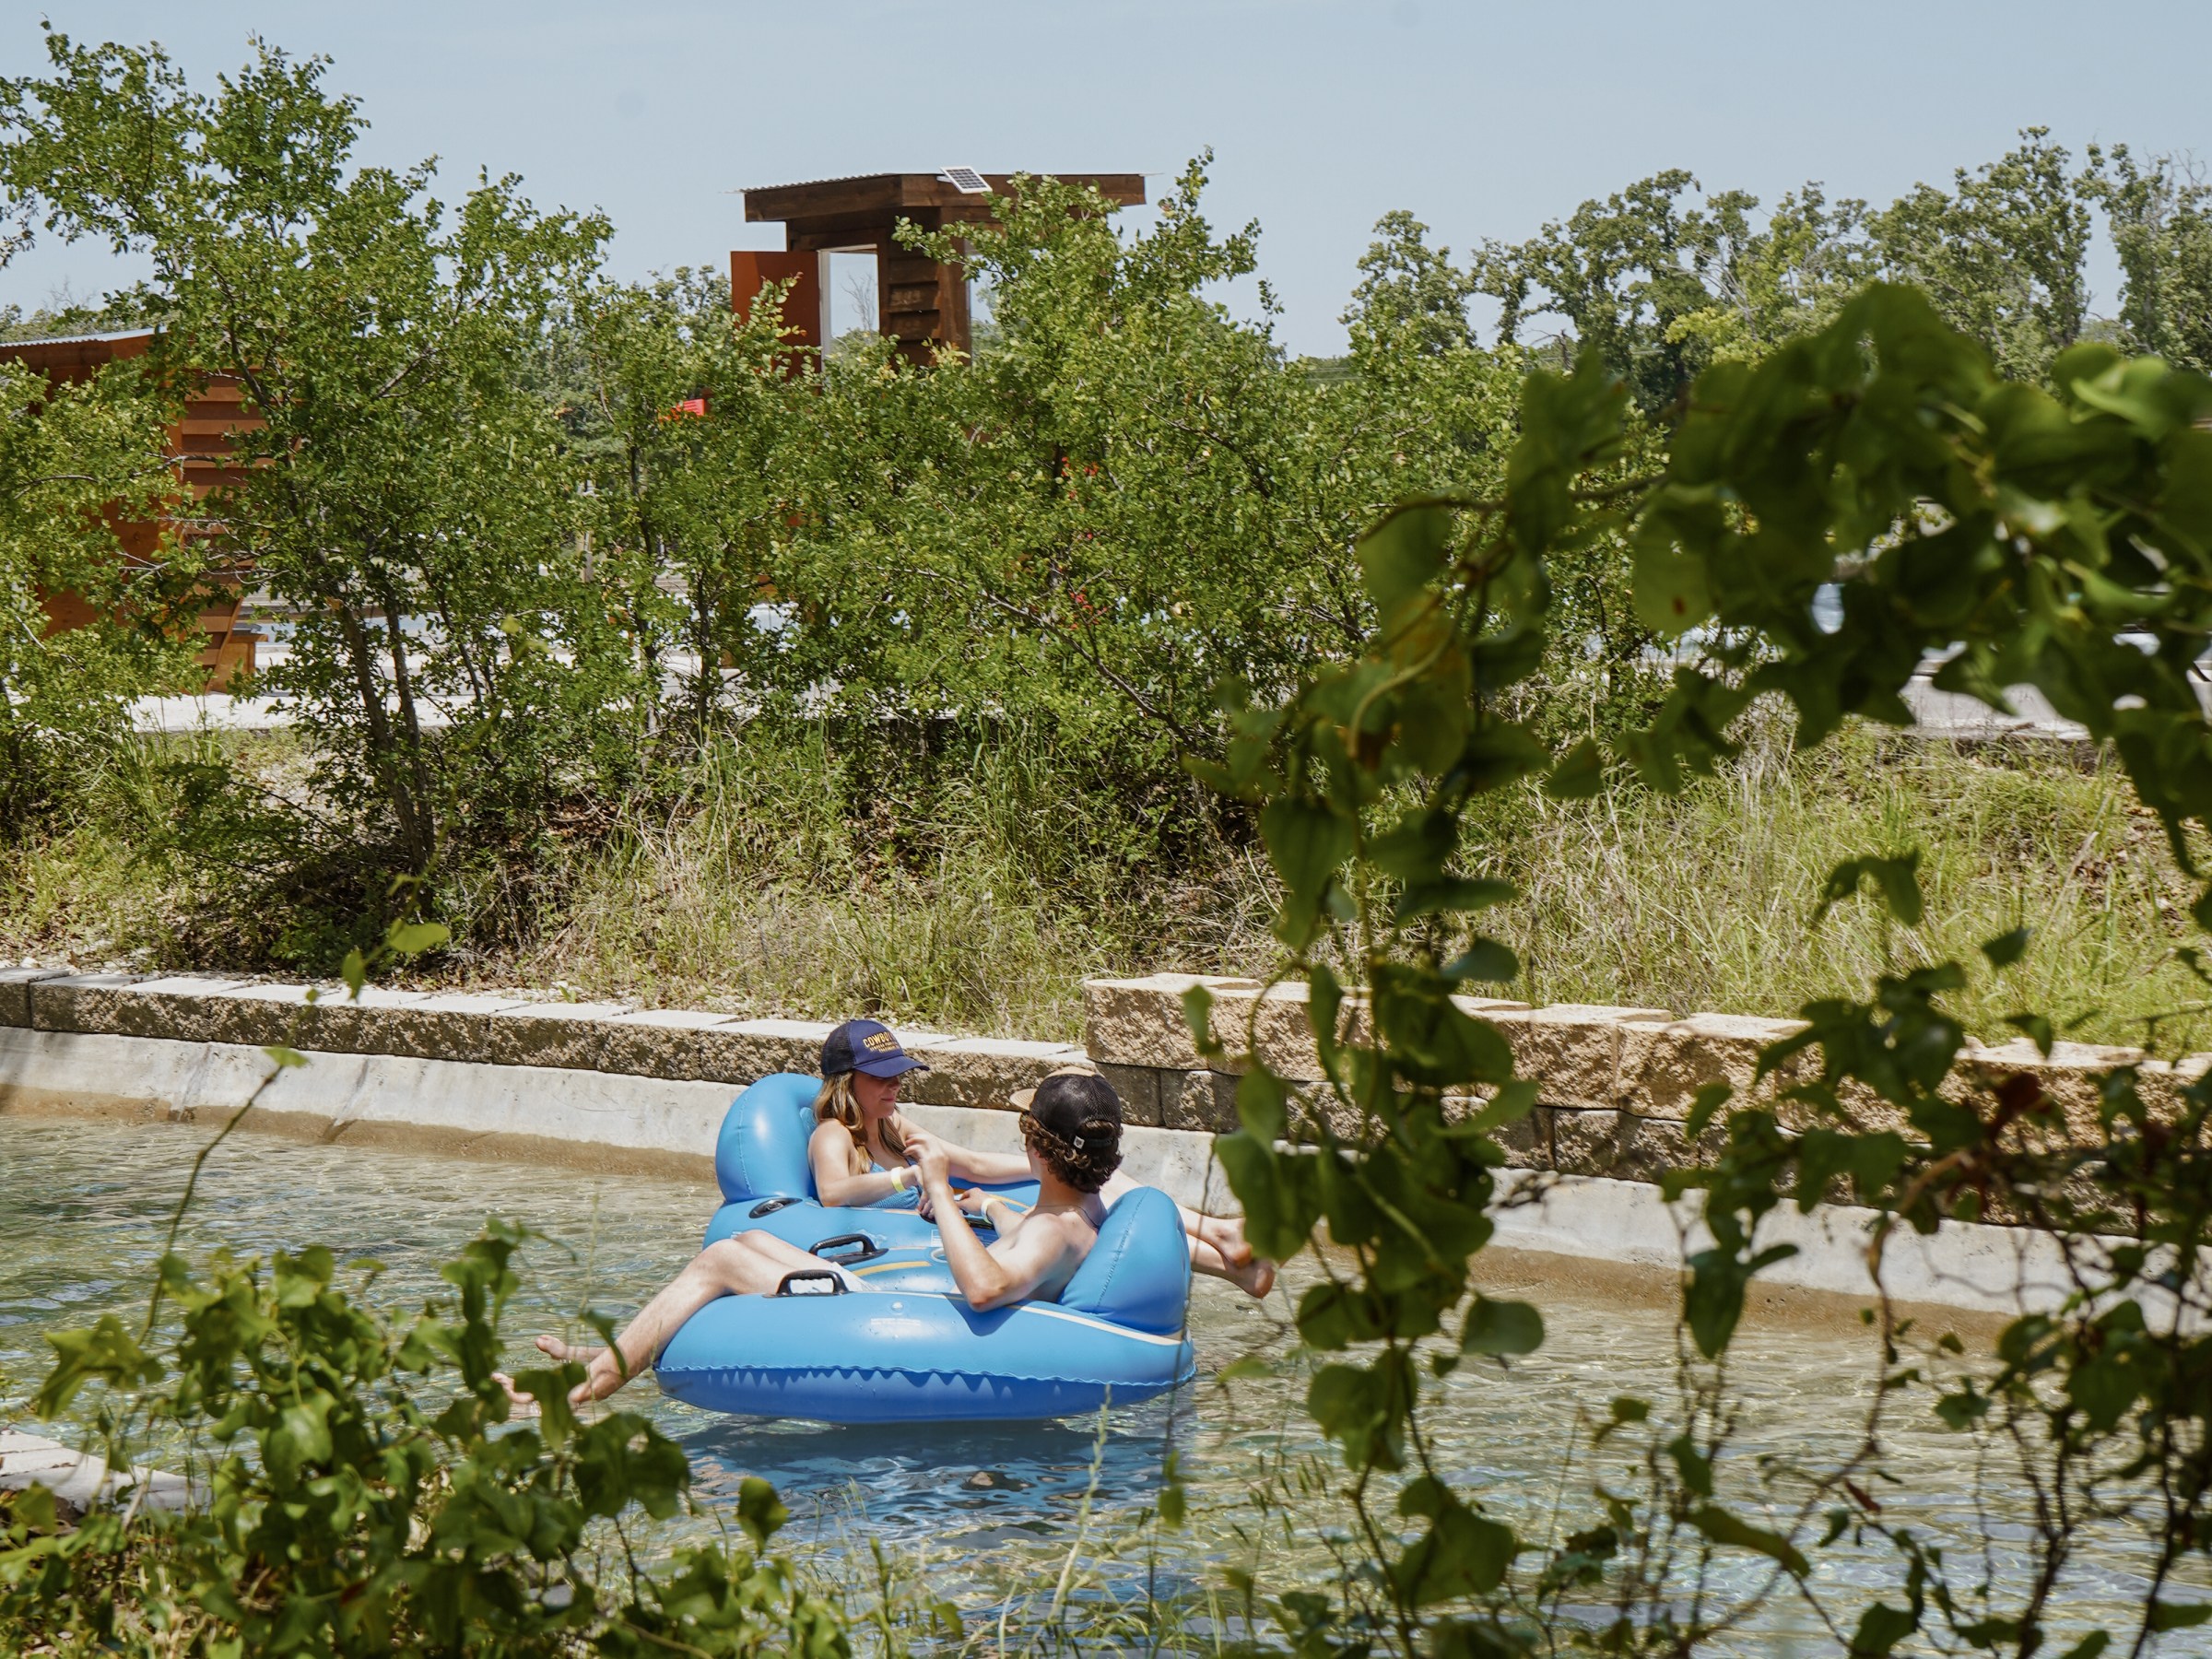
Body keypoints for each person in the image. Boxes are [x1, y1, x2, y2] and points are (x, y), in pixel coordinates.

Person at [504, 1069, 1130, 1409]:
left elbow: (989, 1287)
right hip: (892, 1305)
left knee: (723, 1257)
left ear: (1034, 1145)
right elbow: (1029, 1242)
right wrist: (991, 1205)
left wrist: (939, 1191)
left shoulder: (1052, 1230)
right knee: (746, 1247)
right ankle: (603, 1359)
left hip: (879, 1318)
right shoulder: (1076, 1214)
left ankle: (582, 1394)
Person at [805, 1023, 1271, 1298]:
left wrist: (1051, 1152)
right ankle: (1226, 1251)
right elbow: (832, 1193)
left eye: (899, 1076)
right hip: (911, 1234)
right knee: (1084, 1220)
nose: (895, 1087)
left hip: (955, 1218)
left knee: (1095, 1184)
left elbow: (969, 1162)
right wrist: (911, 1177)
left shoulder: (893, 1125)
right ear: (846, 1081)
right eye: (882, 1078)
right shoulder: (834, 1134)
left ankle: (1225, 1248)